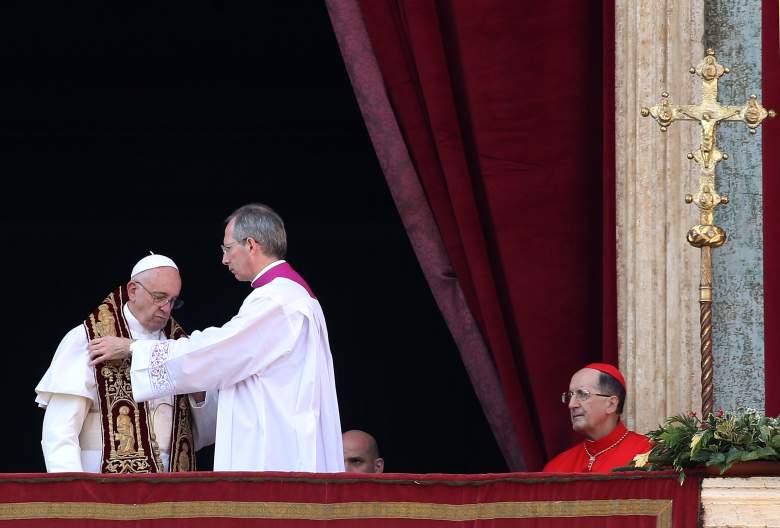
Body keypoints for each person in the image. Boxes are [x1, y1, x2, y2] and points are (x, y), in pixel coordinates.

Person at [88, 204, 344, 472]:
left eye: (227, 248)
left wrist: (136, 348)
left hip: (274, 447)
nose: (224, 259)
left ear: (251, 245)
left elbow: (218, 351)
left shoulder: (276, 299)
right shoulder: (289, 294)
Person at [35, 254, 216, 473]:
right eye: (159, 297)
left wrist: (199, 387)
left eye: (173, 300)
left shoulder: (179, 346)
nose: (166, 309)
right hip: (101, 484)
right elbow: (60, 431)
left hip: (171, 488)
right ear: (132, 290)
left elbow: (205, 434)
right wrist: (74, 491)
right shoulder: (89, 338)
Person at [543, 363, 652, 473]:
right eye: (570, 395)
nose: (571, 404)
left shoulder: (648, 454)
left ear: (611, 404)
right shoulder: (556, 467)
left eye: (582, 394)